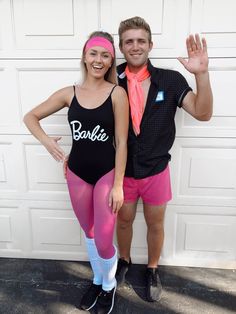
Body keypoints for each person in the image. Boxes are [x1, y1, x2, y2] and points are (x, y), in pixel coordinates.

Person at [23, 31, 129, 314]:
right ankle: (97, 279)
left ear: (110, 61)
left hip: (107, 174)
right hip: (78, 174)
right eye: (93, 53)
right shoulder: (68, 93)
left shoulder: (117, 94)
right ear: (84, 56)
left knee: (105, 238)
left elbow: (121, 143)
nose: (98, 60)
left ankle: (109, 285)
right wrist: (47, 142)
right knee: (90, 232)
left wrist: (118, 184)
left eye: (105, 55)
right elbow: (30, 117)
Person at [115, 16, 213, 302]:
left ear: (150, 45)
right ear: (121, 47)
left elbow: (203, 113)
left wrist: (201, 75)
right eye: (129, 41)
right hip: (122, 171)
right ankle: (124, 260)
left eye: (141, 41)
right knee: (124, 221)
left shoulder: (170, 80)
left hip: (156, 169)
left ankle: (153, 269)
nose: (135, 46)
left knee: (155, 223)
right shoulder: (111, 79)